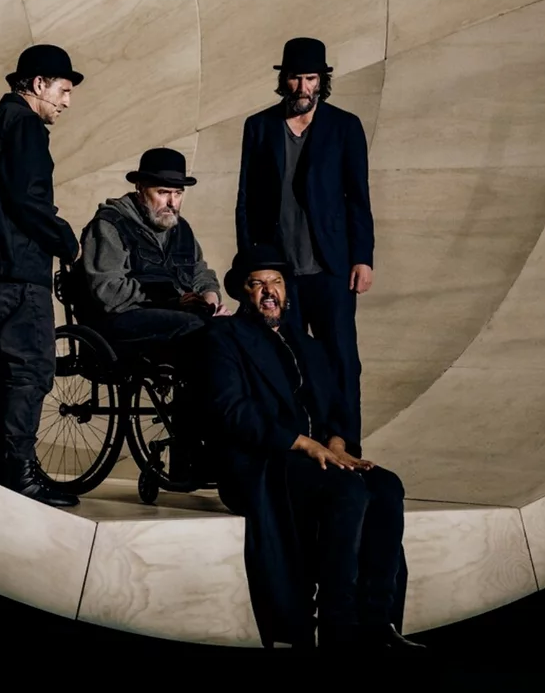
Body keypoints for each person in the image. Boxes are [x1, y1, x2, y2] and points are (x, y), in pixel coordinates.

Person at [197, 245, 420, 651]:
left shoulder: (306, 343)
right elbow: (232, 412)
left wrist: (336, 443)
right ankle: (337, 624)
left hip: (316, 457)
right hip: (264, 463)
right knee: (348, 490)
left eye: (276, 282)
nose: (269, 291)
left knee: (386, 486)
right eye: (258, 283)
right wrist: (305, 443)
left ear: (287, 290)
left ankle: (376, 621)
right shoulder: (224, 337)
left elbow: (333, 406)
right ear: (243, 292)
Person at [0, 43, 84, 508]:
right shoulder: (25, 127)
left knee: (8, 376)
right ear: (38, 84)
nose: (67, 102)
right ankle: (20, 476)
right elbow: (28, 201)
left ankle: (4, 472)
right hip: (14, 275)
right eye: (63, 90)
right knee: (29, 372)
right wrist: (68, 241)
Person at [234, 37, 374, 453]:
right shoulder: (259, 126)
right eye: (295, 78)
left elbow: (358, 196)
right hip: (279, 273)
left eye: (310, 78)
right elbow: (246, 200)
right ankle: (298, 448)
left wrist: (362, 258)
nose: (302, 87)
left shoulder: (344, 126)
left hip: (331, 267)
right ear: (283, 79)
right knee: (285, 363)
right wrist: (248, 263)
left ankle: (346, 447)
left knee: (341, 361)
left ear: (322, 81)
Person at [74, 147, 229, 362]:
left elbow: (200, 273)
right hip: (119, 321)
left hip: (174, 314)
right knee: (198, 329)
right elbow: (108, 290)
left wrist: (209, 298)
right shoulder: (111, 224)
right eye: (163, 192)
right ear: (140, 189)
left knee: (234, 328)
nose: (172, 203)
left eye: (178, 193)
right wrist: (173, 299)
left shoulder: (181, 229)